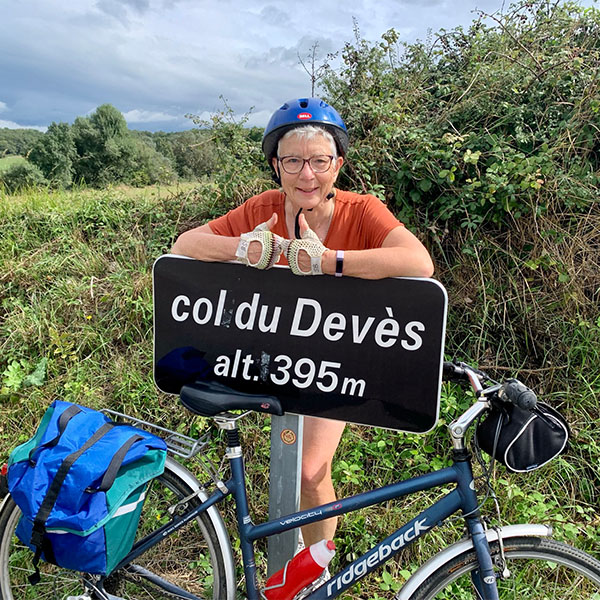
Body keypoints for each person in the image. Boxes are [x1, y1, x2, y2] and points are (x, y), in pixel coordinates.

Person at [171, 97, 434, 548]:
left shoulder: (363, 210)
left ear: (338, 165)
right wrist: (244, 250)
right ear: (276, 165)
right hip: (270, 353)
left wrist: (329, 262)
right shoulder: (263, 209)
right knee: (281, 458)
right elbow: (185, 244)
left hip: (334, 362)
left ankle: (315, 568)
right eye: (292, 161)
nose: (306, 175)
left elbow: (417, 263)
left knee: (312, 472)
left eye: (319, 161)